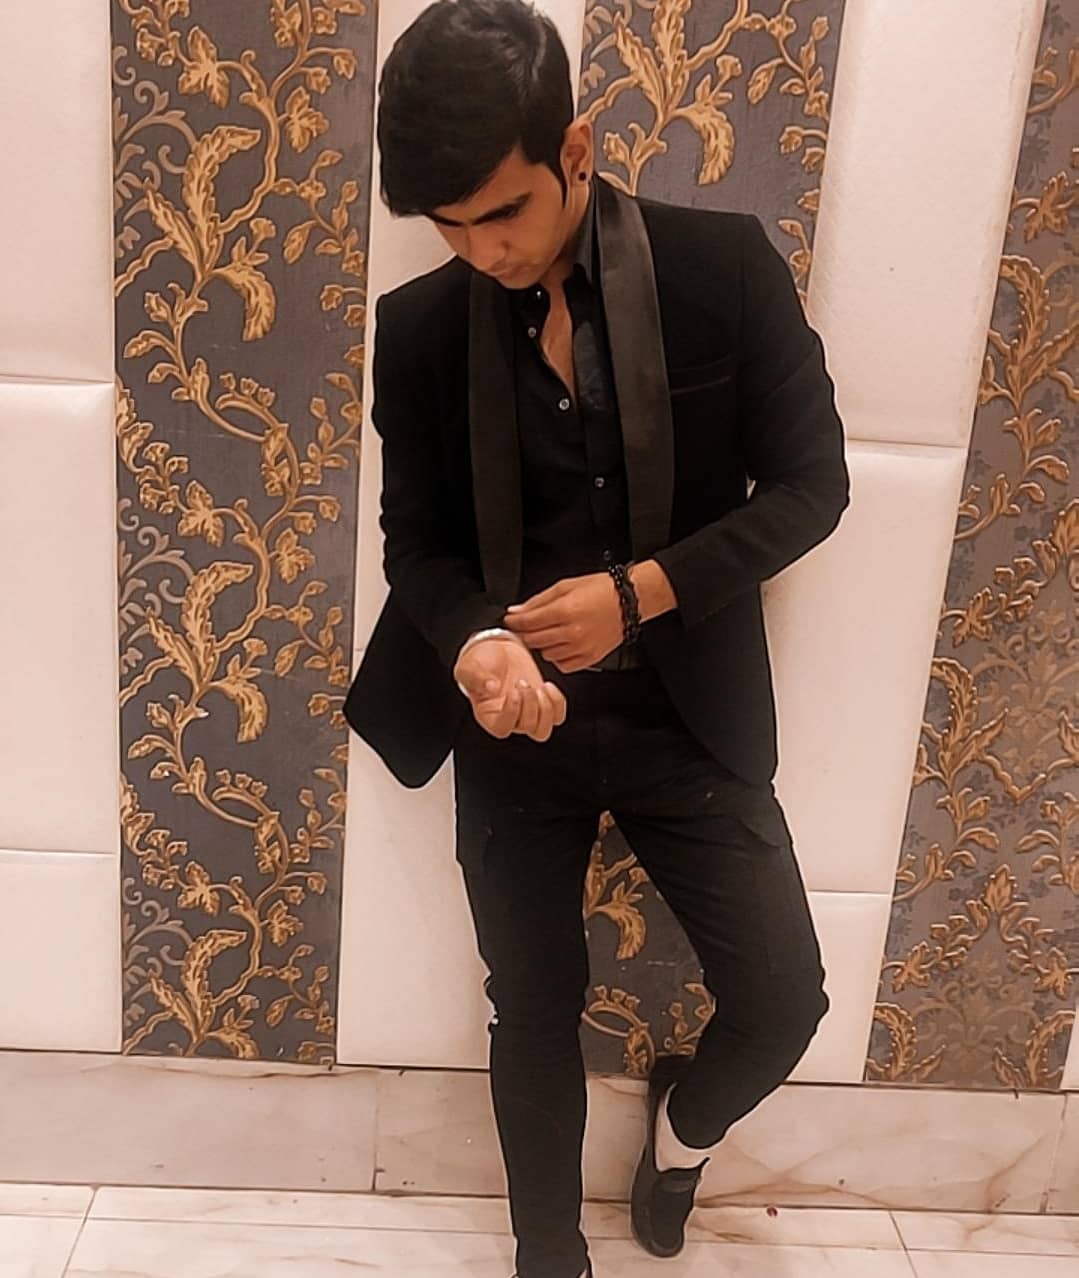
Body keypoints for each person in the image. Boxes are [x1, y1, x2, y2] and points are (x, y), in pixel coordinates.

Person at [344, 2, 850, 1274]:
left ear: (573, 150)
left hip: (684, 710)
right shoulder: (418, 331)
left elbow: (811, 487)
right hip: (517, 728)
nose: (481, 251)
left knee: (783, 1000)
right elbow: (416, 548)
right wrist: (475, 645)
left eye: (501, 213)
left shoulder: (722, 269)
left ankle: (680, 1129)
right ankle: (544, 1250)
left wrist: (639, 594)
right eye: (448, 226)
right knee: (530, 1004)